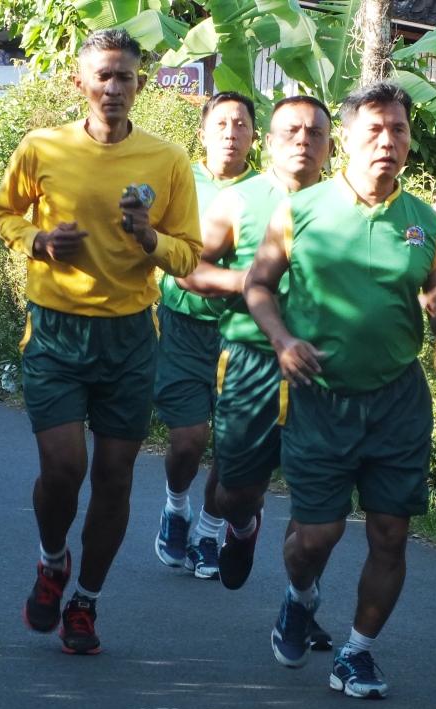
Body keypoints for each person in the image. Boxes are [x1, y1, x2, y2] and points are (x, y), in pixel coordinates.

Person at [244, 81, 436, 699]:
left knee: (390, 533)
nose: (387, 143)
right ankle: (299, 596)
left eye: (398, 130)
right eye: (373, 130)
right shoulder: (302, 209)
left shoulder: (426, 222)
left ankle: (358, 652)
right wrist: (284, 341)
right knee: (318, 536)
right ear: (347, 140)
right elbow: (258, 287)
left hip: (397, 399)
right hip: (320, 397)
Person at [0, 29, 202, 655]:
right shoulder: (42, 147)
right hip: (55, 328)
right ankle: (53, 561)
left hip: (131, 338)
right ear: (79, 82)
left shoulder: (166, 161)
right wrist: (38, 242)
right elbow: (3, 213)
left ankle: (85, 603)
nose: (113, 88)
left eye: (124, 78)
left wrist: (150, 243)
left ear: (140, 85)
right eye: (103, 76)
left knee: (113, 477)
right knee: (63, 468)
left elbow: (187, 254)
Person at [175, 94, 335, 649]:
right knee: (234, 493)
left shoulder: (347, 204)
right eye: (290, 130)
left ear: (330, 145)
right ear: (268, 141)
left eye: (315, 133)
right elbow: (189, 269)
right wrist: (251, 281)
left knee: (317, 500)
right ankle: (241, 526)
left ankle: (301, 602)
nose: (302, 141)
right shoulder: (240, 200)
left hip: (322, 368)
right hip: (251, 361)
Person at [154, 92, 257, 580]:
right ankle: (177, 507)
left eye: (241, 124)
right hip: (183, 326)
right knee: (189, 440)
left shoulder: (268, 191)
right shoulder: (178, 179)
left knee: (233, 445)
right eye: (221, 123)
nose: (231, 132)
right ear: (203, 132)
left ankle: (210, 531)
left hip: (244, 331)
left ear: (254, 136)